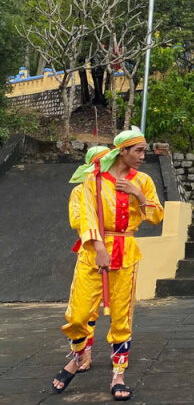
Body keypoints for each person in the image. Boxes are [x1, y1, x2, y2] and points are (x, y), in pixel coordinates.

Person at [53, 127, 164, 400]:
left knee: (121, 317)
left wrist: (138, 194)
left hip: (126, 251)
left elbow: (156, 217)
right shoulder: (94, 180)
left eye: (144, 151)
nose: (142, 156)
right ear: (121, 151)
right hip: (94, 251)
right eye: (137, 151)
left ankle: (119, 375)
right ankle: (79, 356)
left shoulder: (144, 181)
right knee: (78, 316)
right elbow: (88, 217)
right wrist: (100, 249)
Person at [66, 145, 111, 373]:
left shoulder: (115, 187)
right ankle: (83, 352)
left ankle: (119, 358)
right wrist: (93, 216)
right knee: (83, 310)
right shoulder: (80, 191)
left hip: (116, 252)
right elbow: (77, 221)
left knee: (118, 309)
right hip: (90, 253)